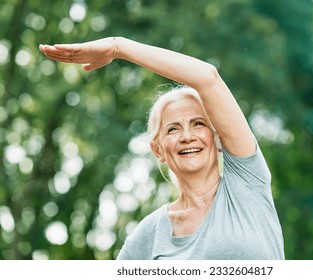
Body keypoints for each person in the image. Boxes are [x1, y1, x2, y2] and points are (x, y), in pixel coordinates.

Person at [39, 36, 285, 260]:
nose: (187, 136)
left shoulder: (246, 183)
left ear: (218, 139)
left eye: (198, 124)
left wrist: (118, 47)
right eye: (173, 129)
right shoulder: (148, 236)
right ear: (158, 150)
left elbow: (207, 78)